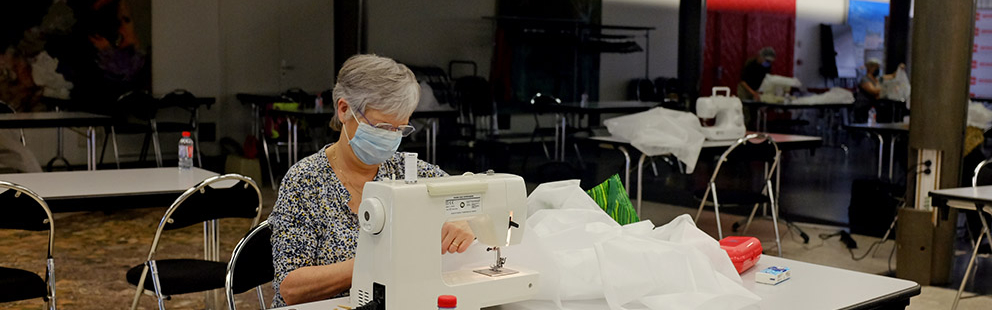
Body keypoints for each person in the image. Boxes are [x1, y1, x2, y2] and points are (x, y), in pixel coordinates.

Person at [268, 54, 475, 307]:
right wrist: (374, 263)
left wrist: (467, 220)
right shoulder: (305, 182)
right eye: (382, 127)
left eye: (400, 129)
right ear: (344, 110)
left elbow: (475, 200)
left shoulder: (408, 172)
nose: (392, 138)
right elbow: (291, 287)